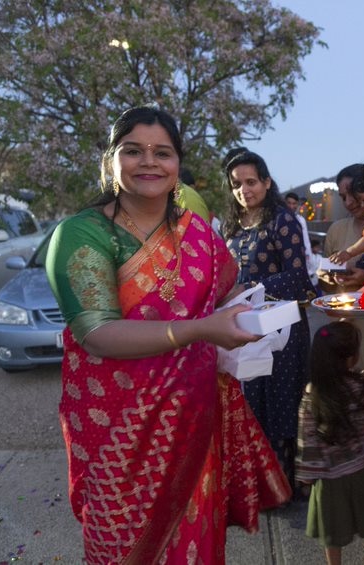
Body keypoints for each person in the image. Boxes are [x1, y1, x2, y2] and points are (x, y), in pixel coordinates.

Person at [46, 106, 291, 564]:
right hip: (118, 429)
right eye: (133, 151)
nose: (149, 162)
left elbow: (224, 287)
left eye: (163, 152)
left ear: (178, 162)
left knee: (195, 541)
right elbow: (97, 332)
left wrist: (258, 307)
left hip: (194, 416)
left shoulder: (194, 231)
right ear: (111, 160)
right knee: (123, 545)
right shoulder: (83, 233)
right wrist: (200, 329)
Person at [220, 149, 317, 495]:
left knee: (282, 405)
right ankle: (261, 485)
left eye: (251, 182)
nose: (244, 190)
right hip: (245, 327)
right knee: (252, 403)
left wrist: (248, 287)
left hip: (282, 329)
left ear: (266, 181)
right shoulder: (231, 225)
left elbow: (298, 278)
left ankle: (288, 485)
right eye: (236, 184)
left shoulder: (282, 220)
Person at [296, 321, 364, 565]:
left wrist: (307, 476)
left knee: (332, 529)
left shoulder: (312, 395)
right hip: (362, 465)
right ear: (351, 358)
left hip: (330, 476)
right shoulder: (363, 382)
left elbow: (307, 438)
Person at [319, 164, 364, 421]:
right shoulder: (337, 231)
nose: (350, 202)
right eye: (342, 197)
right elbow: (328, 288)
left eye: (354, 194)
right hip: (348, 332)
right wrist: (325, 276)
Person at [285, 191, 319, 286]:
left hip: (299, 254)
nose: (292, 206)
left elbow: (306, 240)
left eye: (294, 203)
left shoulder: (301, 220)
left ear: (297, 204)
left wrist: (308, 256)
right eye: (289, 203)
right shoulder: (279, 218)